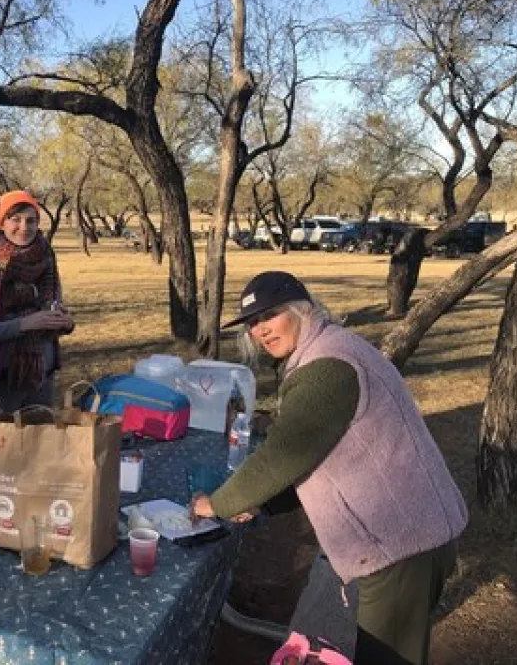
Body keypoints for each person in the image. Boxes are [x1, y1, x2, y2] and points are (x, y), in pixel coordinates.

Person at [191, 270, 467, 665]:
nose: (260, 330)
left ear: (302, 309)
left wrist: (217, 504)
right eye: (252, 322)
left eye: (269, 316)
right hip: (409, 536)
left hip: (402, 545)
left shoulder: (327, 368)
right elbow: (311, 455)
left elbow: (281, 456)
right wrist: (263, 504)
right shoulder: (328, 350)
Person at [0, 190, 73, 413]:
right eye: (16, 219)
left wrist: (64, 322)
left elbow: (53, 306)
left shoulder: (46, 256)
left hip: (42, 374)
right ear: (2, 223)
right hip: (0, 378)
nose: (24, 227)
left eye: (31, 220)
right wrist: (25, 324)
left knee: (40, 433)